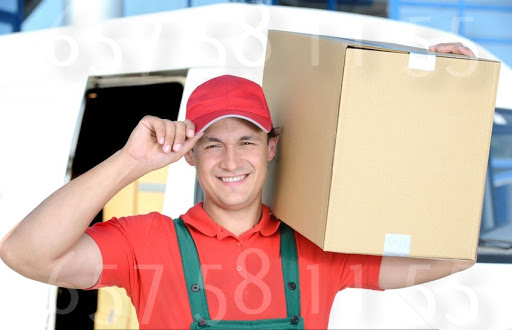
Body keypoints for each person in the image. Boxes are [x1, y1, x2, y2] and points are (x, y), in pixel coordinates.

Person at [0, 43, 476, 329]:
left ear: (271, 147)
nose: (231, 161)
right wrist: (130, 161)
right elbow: (26, 254)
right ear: (188, 153)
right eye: (211, 144)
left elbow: (451, 256)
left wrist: (443, 101)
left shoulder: (318, 247)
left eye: (246, 140)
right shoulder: (147, 242)